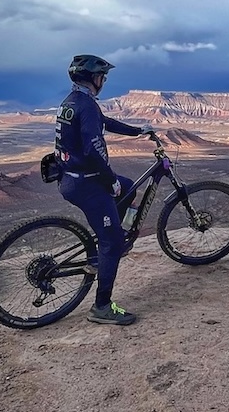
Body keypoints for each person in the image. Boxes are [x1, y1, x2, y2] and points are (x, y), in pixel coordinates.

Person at [54, 54, 153, 325]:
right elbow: (94, 151)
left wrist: (137, 131)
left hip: (71, 178)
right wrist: (110, 180)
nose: (104, 81)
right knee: (112, 242)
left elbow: (104, 121)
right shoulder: (85, 106)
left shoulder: (74, 102)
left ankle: (110, 240)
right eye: (102, 77)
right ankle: (101, 307)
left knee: (130, 188)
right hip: (87, 183)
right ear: (93, 79)